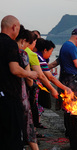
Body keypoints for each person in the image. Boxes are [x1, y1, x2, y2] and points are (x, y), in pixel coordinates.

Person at [0, 15, 38, 150]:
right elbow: (15, 70)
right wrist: (30, 74)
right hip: (10, 98)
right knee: (13, 138)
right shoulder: (10, 44)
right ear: (14, 27)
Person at [16, 26, 39, 150]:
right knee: (27, 125)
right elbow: (29, 80)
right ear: (23, 40)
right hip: (21, 94)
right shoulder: (22, 54)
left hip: (5, 94)